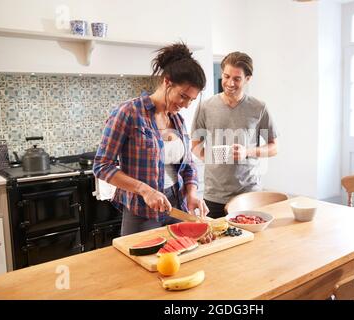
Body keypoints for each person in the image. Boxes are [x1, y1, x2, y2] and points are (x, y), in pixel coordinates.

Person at [93, 43, 209, 236]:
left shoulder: (177, 120)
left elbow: (187, 165)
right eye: (183, 96)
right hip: (142, 210)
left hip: (177, 205)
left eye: (191, 100)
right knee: (138, 263)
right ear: (167, 81)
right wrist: (145, 190)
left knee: (181, 258)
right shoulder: (128, 113)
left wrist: (191, 193)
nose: (186, 105)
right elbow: (101, 166)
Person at [191, 51, 278, 218]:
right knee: (217, 242)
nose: (230, 83)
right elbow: (195, 146)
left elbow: (274, 147)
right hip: (214, 195)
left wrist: (248, 152)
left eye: (237, 79)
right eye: (226, 76)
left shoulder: (259, 107)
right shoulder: (205, 107)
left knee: (251, 242)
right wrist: (210, 156)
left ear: (247, 79)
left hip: (249, 193)